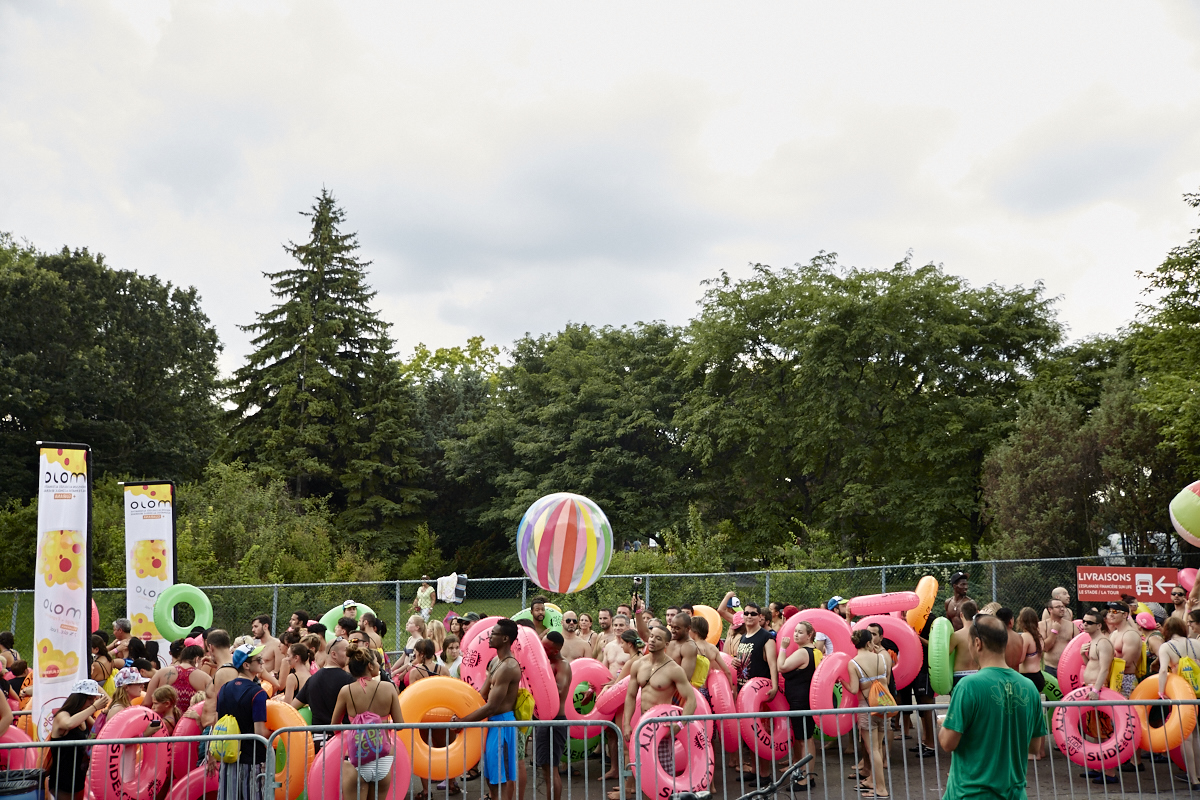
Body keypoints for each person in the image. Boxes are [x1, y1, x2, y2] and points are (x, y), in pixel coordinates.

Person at [938, 614, 1046, 800]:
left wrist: (943, 725)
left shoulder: (968, 686)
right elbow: (1034, 747)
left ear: (978, 643)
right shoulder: (1029, 688)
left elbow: (948, 743)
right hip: (1015, 793)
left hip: (971, 794)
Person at [619, 626, 696, 800]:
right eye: (651, 636)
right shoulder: (638, 664)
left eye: (658, 638)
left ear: (667, 643)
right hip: (643, 726)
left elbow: (691, 700)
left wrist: (679, 724)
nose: (652, 640)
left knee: (662, 775)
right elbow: (631, 696)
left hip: (663, 729)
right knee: (644, 773)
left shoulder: (674, 669)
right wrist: (626, 724)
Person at [455, 619, 522, 800]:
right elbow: (481, 696)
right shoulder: (495, 662)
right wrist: (461, 711)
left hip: (503, 724)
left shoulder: (509, 666)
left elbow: (492, 706)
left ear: (506, 638)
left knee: (504, 775)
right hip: (493, 723)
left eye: (494, 634)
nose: (490, 637)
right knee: (491, 773)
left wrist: (463, 721)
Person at [331, 643, 405, 800]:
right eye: (377, 662)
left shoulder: (346, 691)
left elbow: (334, 727)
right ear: (370, 666)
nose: (379, 664)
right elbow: (400, 724)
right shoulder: (388, 688)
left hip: (355, 758)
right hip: (383, 757)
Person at [207, 644, 270, 800]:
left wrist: (211, 752)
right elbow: (260, 732)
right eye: (259, 659)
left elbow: (217, 722)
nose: (262, 662)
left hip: (228, 758)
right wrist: (279, 735)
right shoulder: (258, 693)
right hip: (252, 761)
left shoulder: (224, 689)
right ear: (246, 665)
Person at [47, 680, 109, 800]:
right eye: (90, 699)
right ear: (79, 699)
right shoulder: (63, 715)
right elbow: (68, 724)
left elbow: (98, 731)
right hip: (63, 777)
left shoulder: (84, 717)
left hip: (78, 775)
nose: (93, 702)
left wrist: (103, 716)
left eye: (94, 699)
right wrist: (94, 707)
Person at [1157, 617, 1200, 788]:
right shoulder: (1196, 643)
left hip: (1182, 695)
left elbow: (1162, 670)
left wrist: (1161, 692)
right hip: (1197, 692)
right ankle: (1199, 774)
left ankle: (1193, 779)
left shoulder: (1166, 647)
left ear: (1167, 630)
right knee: (1197, 734)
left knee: (1186, 738)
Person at [847, 628, 890, 798]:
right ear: (868, 642)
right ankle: (873, 780)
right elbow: (886, 679)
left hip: (867, 707)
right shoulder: (881, 658)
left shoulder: (854, 663)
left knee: (873, 750)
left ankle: (881, 789)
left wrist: (842, 681)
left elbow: (853, 688)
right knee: (878, 747)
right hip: (884, 705)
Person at [292, 637, 354, 752]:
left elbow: (292, 707)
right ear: (334, 654)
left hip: (318, 740)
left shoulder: (312, 680)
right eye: (346, 650)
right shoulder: (349, 680)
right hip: (342, 740)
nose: (349, 654)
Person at [778, 620, 819, 791]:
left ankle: (806, 779)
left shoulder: (804, 652)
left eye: (800, 632)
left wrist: (782, 647)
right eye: (795, 631)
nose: (795, 634)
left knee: (805, 739)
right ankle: (805, 774)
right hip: (805, 699)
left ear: (809, 635)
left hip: (800, 701)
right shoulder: (817, 651)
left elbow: (782, 666)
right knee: (806, 738)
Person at [534, 632, 572, 800]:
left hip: (555, 721)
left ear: (555, 651)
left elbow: (558, 691)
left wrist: (541, 672)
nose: (540, 651)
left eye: (544, 648)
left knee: (551, 769)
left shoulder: (562, 665)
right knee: (546, 767)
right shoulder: (549, 662)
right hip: (544, 721)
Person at [146, 643, 210, 715]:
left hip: (163, 723)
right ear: (197, 659)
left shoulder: (161, 673)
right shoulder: (205, 678)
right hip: (190, 724)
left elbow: (147, 703)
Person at [733, 603, 777, 693]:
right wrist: (735, 661)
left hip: (758, 690)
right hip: (742, 688)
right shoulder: (743, 637)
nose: (749, 616)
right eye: (746, 613)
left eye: (753, 614)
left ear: (760, 617)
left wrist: (775, 687)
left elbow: (773, 665)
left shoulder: (766, 637)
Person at [689, 616, 733, 694]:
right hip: (708, 689)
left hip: (694, 690)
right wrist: (730, 690)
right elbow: (727, 671)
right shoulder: (713, 648)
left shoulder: (692, 647)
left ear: (694, 631)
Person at [947, 601, 980, 690]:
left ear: (961, 615)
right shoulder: (982, 634)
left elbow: (945, 655)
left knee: (958, 702)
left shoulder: (957, 635)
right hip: (978, 674)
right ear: (977, 613)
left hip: (960, 675)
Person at [1038, 596, 1072, 678]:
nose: (1062, 609)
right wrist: (1054, 631)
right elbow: (1045, 648)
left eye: (1062, 607)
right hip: (1050, 668)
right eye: (1058, 607)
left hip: (1067, 668)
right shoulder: (1042, 625)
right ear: (1050, 610)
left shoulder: (1072, 626)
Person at [251, 616, 281, 688]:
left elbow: (277, 671)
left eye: (256, 626)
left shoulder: (277, 644)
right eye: (252, 627)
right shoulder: (257, 646)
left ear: (265, 626)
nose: (253, 630)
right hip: (256, 683)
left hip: (270, 685)